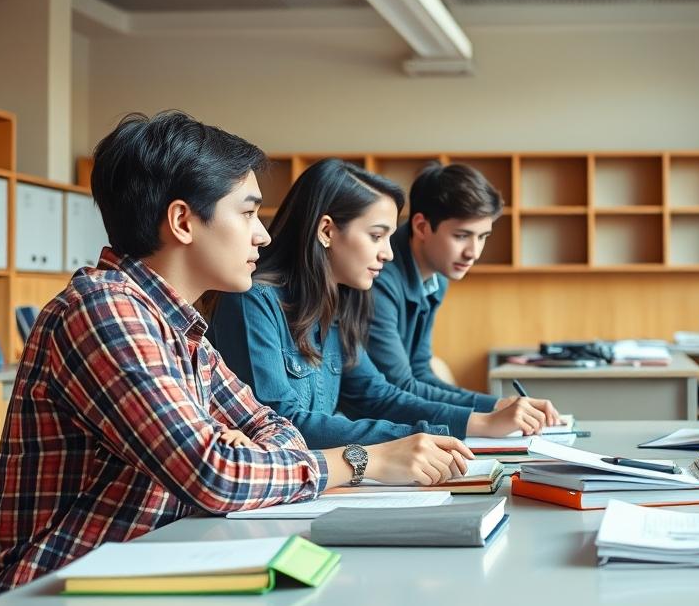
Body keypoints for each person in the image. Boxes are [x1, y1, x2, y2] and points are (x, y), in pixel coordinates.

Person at [0, 112, 470, 606]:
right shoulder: (103, 312)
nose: (262, 235)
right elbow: (216, 475)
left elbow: (276, 427)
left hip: (147, 574)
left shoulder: (181, 328)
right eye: (247, 213)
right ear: (183, 221)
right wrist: (361, 461)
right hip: (47, 598)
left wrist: (242, 449)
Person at [208, 158, 551, 448]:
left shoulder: (338, 303)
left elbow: (376, 395)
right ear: (326, 231)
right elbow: (281, 424)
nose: (387, 253)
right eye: (376, 236)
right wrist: (433, 434)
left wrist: (477, 421)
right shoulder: (253, 301)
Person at [366, 163, 559, 425]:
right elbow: (400, 384)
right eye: (462, 236)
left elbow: (420, 371)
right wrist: (493, 407)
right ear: (422, 226)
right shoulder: (378, 278)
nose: (474, 252)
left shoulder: (436, 277)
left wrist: (498, 406)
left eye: (483, 237)